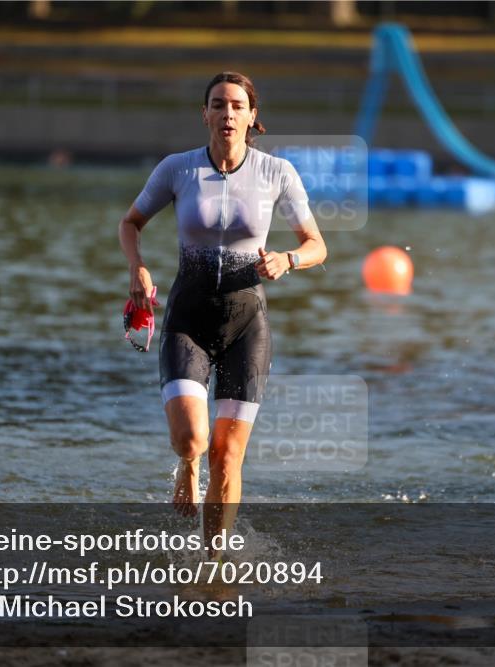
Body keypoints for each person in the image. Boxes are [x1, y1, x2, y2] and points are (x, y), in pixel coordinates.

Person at [118, 71, 327, 547]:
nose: (227, 114)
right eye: (218, 105)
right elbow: (130, 223)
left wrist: (288, 259)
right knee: (193, 440)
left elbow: (317, 245)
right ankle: (187, 464)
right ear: (205, 114)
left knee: (227, 456)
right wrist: (138, 268)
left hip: (246, 326)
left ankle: (215, 565)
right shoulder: (178, 169)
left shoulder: (277, 173)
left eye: (237, 106)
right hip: (187, 321)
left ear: (253, 117)